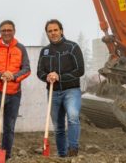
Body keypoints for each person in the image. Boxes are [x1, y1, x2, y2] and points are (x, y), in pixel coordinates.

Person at [0, 20, 31, 160]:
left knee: (9, 127)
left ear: (14, 31)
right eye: (3, 30)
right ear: (0, 32)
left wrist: (13, 76)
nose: (6, 32)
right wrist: (0, 75)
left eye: (9, 30)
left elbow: (26, 69)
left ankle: (6, 155)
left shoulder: (20, 48)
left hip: (14, 93)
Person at [37, 19, 85, 157]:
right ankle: (62, 155)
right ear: (47, 33)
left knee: (73, 117)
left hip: (72, 91)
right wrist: (47, 76)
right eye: (50, 31)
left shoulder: (72, 47)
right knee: (58, 126)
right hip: (53, 92)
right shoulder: (44, 51)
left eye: (55, 30)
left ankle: (73, 150)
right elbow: (39, 72)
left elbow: (80, 70)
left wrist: (60, 76)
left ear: (61, 31)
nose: (53, 33)